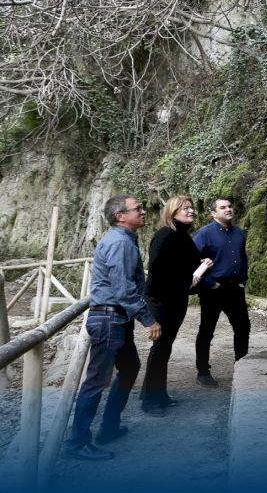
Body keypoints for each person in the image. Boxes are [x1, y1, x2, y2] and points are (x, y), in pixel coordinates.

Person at [65, 194, 162, 460]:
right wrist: (149, 319)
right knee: (96, 382)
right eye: (137, 208)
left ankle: (109, 427)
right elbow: (123, 290)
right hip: (109, 319)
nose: (143, 211)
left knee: (130, 367)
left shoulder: (123, 239)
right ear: (120, 216)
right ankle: (77, 443)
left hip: (115, 318)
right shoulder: (120, 243)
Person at [141, 195, 212, 416]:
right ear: (172, 212)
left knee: (165, 348)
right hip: (161, 299)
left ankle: (157, 394)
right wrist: (189, 280)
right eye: (185, 208)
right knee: (160, 348)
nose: (191, 211)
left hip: (177, 299)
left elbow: (190, 264)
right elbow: (157, 271)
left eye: (191, 208)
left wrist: (201, 265)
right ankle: (150, 401)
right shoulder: (165, 234)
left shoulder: (184, 237)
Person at [192, 197, 251, 387]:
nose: (228, 209)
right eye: (222, 207)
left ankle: (242, 368)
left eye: (230, 206)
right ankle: (203, 372)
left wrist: (242, 280)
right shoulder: (204, 234)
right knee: (207, 330)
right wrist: (209, 283)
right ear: (213, 213)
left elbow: (243, 258)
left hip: (235, 288)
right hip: (213, 289)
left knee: (243, 328)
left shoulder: (239, 233)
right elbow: (191, 261)